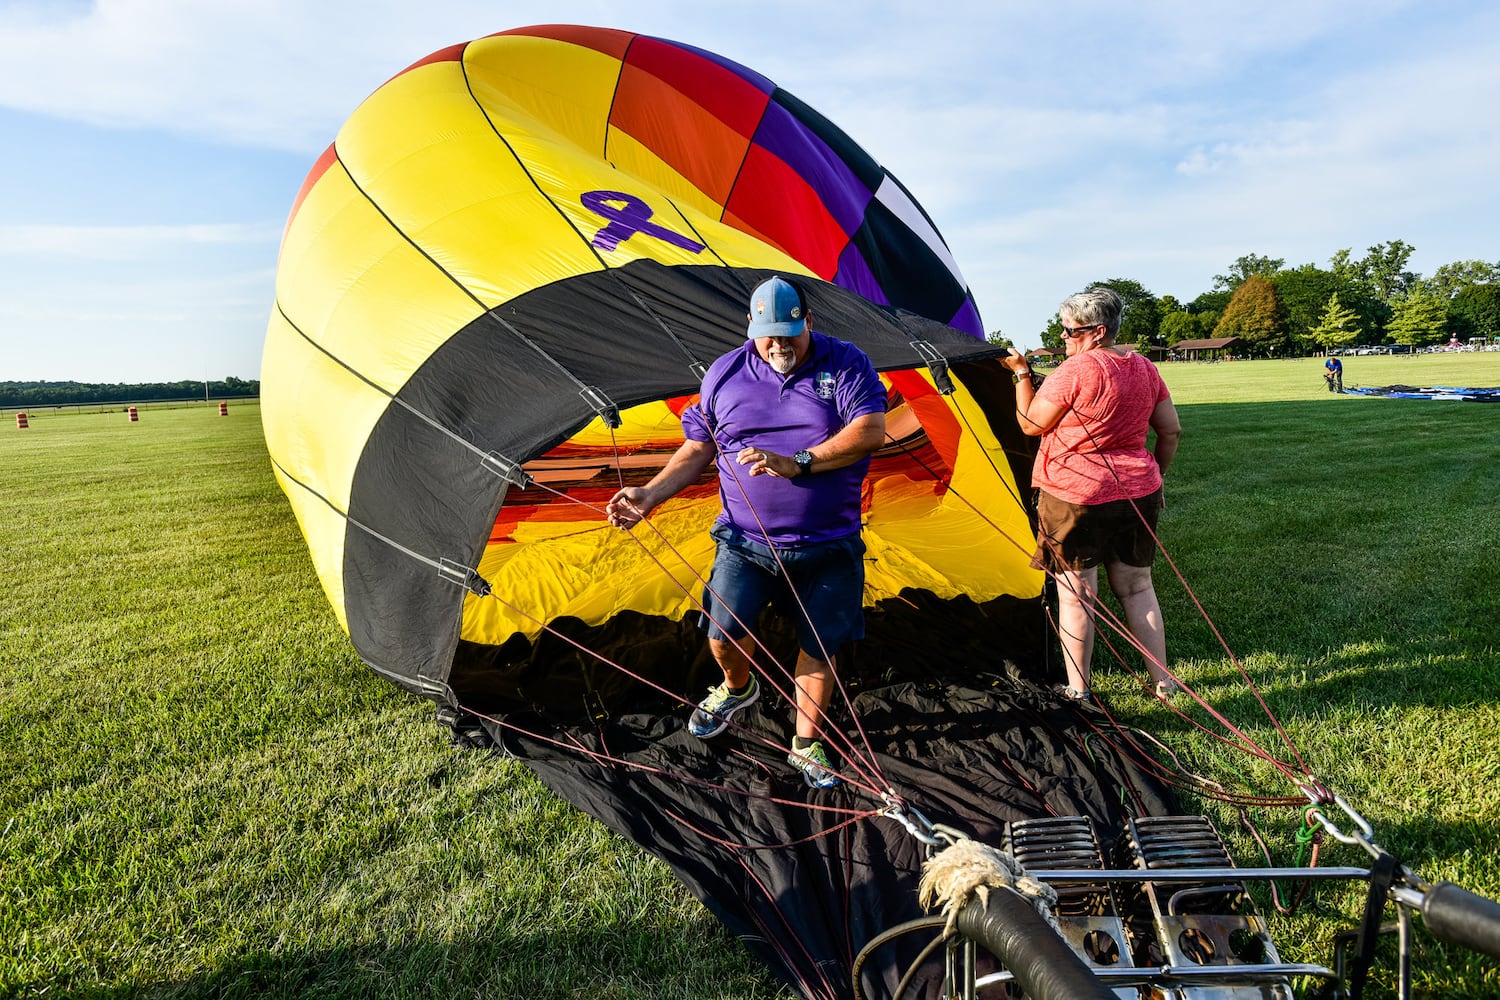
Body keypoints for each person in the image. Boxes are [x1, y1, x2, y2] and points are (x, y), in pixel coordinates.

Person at [605, 276, 887, 788]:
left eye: (789, 332)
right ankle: (738, 688)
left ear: (808, 321)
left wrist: (798, 462)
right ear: (751, 329)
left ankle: (806, 743)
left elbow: (869, 431)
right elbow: (697, 447)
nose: (779, 344)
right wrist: (649, 494)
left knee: (819, 647)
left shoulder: (846, 362)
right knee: (723, 634)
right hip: (744, 542)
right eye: (767, 335)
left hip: (828, 544)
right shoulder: (725, 372)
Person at [999, 287, 1182, 702]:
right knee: (1138, 587)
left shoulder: (1075, 370)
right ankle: (1164, 683)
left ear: (1098, 331)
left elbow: (1030, 423)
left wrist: (1021, 375)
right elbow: (1170, 430)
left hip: (1074, 496)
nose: (1063, 337)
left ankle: (1078, 689)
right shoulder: (1145, 368)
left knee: (1077, 594)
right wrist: (1159, 475)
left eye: (1070, 331)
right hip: (1138, 490)